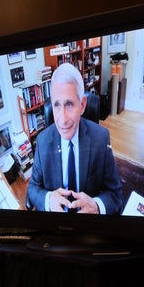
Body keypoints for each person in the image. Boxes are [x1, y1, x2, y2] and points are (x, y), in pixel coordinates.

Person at [26, 63, 123, 214]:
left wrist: (97, 206)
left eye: (69, 104)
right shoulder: (42, 141)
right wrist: (48, 199)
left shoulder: (101, 138)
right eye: (57, 105)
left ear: (82, 105)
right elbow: (33, 188)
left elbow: (116, 194)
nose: (62, 119)